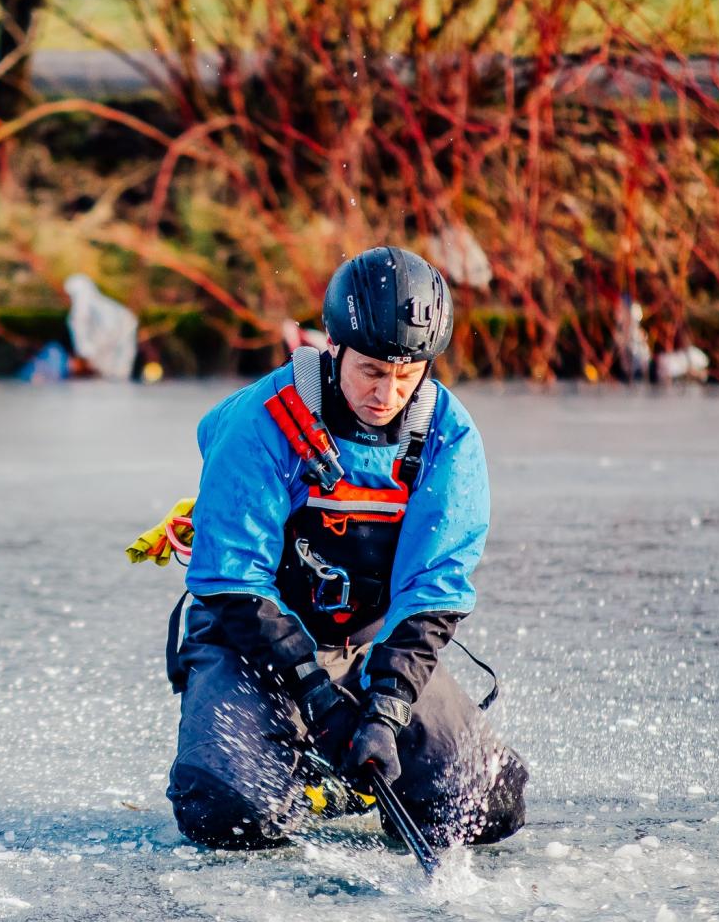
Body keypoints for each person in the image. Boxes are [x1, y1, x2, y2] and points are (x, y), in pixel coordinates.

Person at [166, 246, 528, 850]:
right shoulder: (263, 421)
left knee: (484, 804)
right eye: (371, 371)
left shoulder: (448, 435)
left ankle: (355, 772)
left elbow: (435, 590)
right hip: (250, 642)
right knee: (227, 812)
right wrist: (321, 701)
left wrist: (385, 709)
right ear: (333, 348)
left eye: (407, 374)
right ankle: (298, 769)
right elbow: (233, 580)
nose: (387, 393)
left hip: (371, 645)